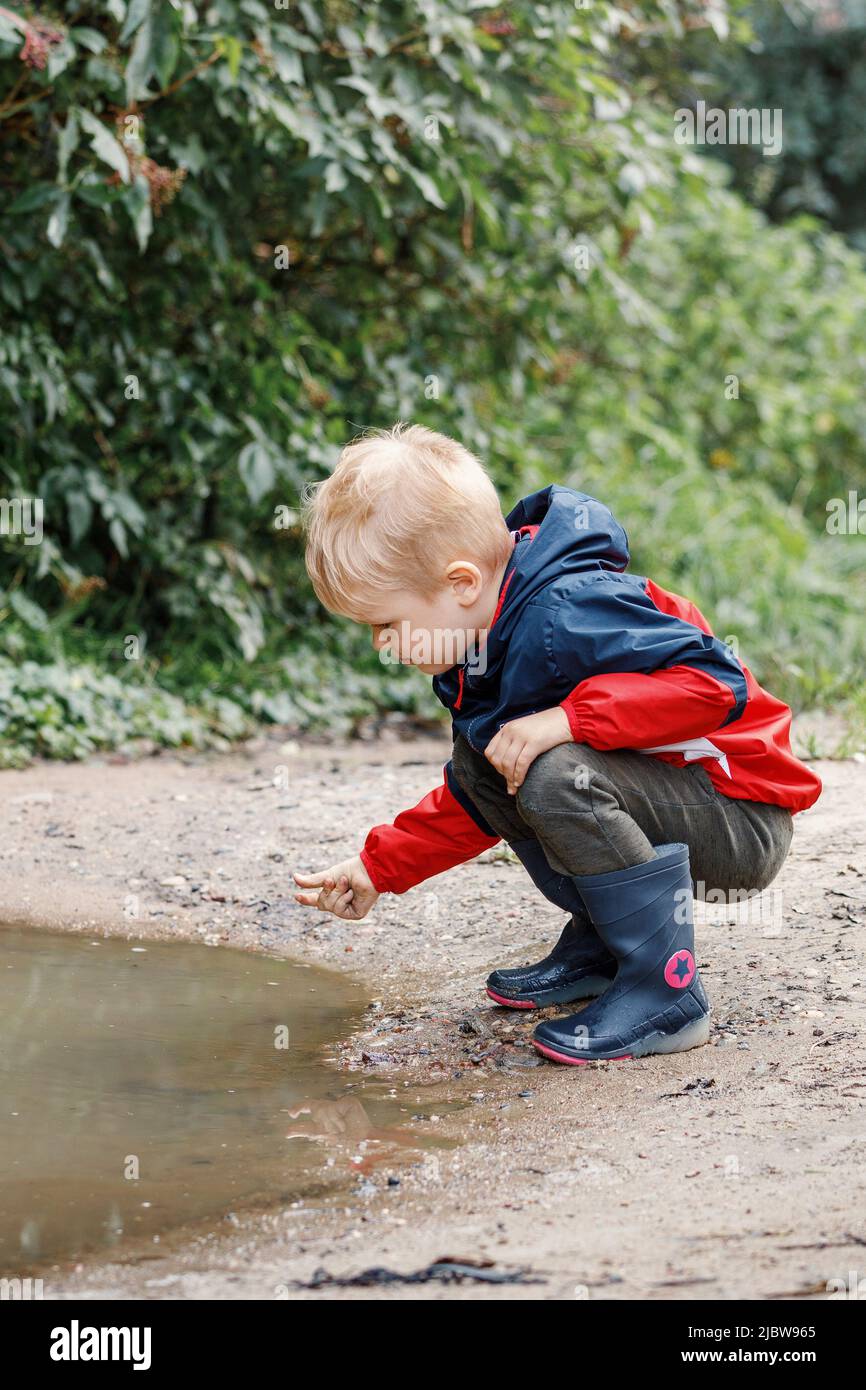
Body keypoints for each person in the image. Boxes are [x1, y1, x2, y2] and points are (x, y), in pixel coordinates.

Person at [293, 424, 821, 1065]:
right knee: (489, 758)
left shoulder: (567, 611)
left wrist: (571, 719)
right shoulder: (484, 642)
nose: (381, 644)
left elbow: (715, 684)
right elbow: (472, 795)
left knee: (554, 772)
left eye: (386, 623)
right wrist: (381, 866)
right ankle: (608, 946)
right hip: (672, 803)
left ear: (461, 583)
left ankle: (666, 990)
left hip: (740, 816)